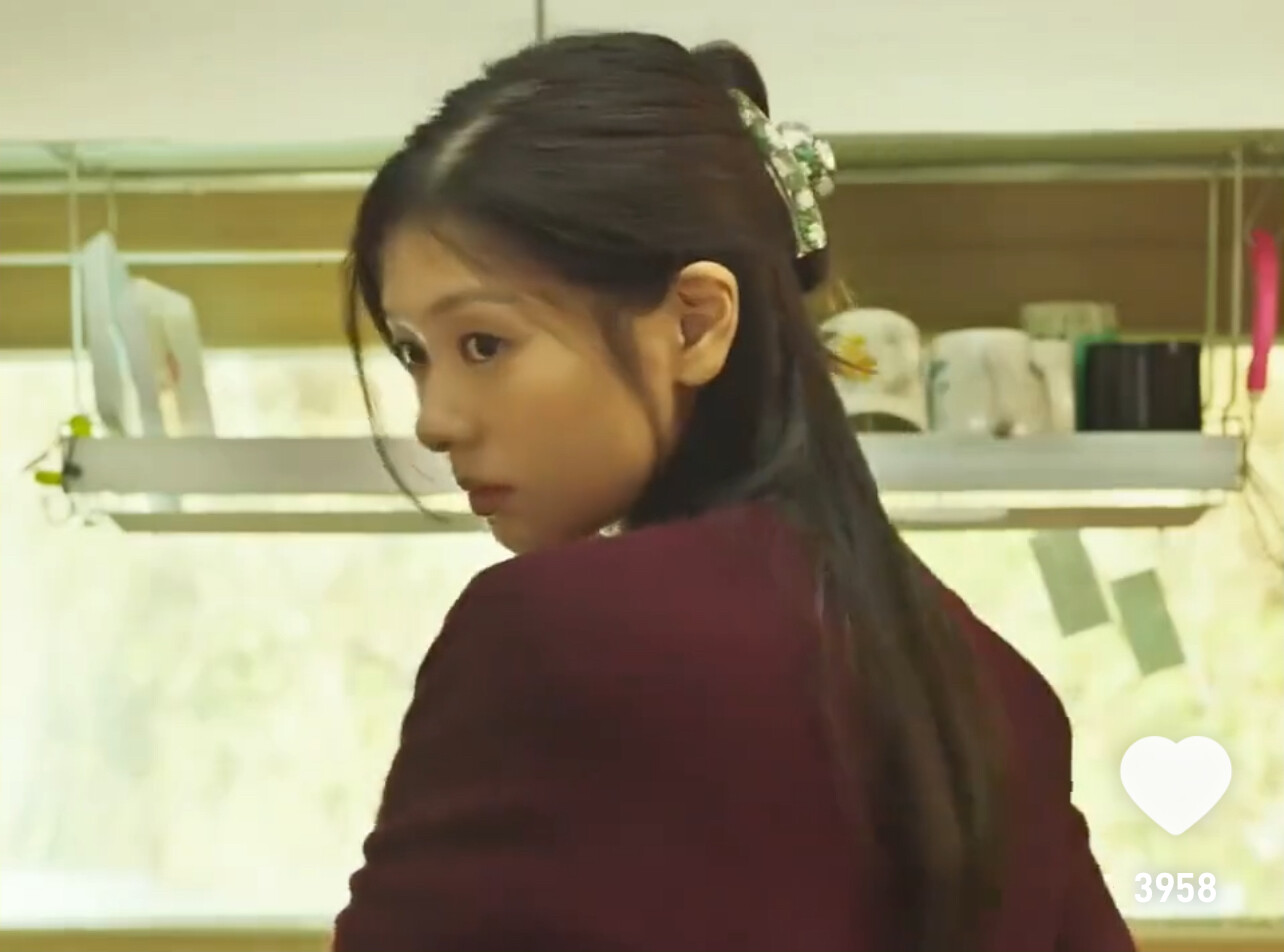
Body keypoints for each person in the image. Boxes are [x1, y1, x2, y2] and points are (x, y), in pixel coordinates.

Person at [332, 32, 1135, 952]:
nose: (435, 420)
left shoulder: (544, 633)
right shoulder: (991, 686)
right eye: (415, 354)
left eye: (484, 345)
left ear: (695, 323)